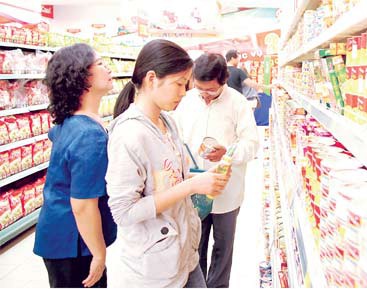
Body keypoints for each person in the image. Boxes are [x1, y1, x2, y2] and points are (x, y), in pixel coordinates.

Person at [106, 39, 230, 288]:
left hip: (185, 255)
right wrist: (191, 186)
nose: (184, 92)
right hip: (155, 269)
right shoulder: (129, 135)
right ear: (152, 79)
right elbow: (124, 212)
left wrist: (204, 180)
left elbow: (171, 179)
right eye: (179, 84)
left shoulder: (168, 122)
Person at [33, 43, 117, 288]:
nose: (108, 68)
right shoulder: (88, 134)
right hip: (73, 243)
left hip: (62, 235)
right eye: (100, 63)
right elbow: (82, 204)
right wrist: (99, 254)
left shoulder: (72, 122)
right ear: (81, 75)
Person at [173, 53, 259, 288]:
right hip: (193, 187)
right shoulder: (187, 100)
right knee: (194, 245)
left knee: (223, 247)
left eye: (210, 90)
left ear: (224, 80)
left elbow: (252, 144)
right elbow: (175, 137)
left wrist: (227, 152)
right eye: (200, 89)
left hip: (226, 191)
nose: (205, 95)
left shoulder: (238, 103)